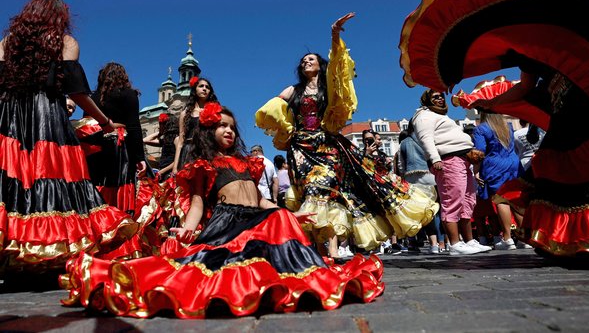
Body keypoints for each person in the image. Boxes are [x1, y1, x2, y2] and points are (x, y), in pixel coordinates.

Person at [398, 0, 589, 257]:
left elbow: (526, 89)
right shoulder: (532, 55)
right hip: (566, 114)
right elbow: (524, 87)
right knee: (568, 175)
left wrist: (489, 103)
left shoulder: (577, 35)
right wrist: (487, 103)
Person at [61, 103, 384, 318]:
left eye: (232, 126)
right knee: (218, 259)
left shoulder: (249, 163)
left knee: (281, 217)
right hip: (227, 221)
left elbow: (261, 201)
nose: (229, 131)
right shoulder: (206, 164)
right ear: (209, 131)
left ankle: (286, 280)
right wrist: (188, 227)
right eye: (222, 126)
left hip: (255, 215)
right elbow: (199, 203)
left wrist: (292, 213)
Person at [256, 13, 438, 258]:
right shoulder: (293, 90)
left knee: (326, 188)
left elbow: (338, 67)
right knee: (310, 193)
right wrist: (286, 131)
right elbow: (271, 110)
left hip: (327, 146)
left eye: (310, 59)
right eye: (302, 61)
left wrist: (334, 35)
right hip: (301, 149)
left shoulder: (328, 88)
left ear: (319, 64)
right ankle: (319, 253)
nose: (305, 63)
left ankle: (331, 250)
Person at [0, 0, 137, 271]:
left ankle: (13, 254)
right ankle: (47, 255)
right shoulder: (65, 42)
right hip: (47, 116)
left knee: (15, 182)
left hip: (10, 117)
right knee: (53, 180)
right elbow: (76, 90)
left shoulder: (6, 43)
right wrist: (104, 120)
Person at [411, 89, 491, 255]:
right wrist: (435, 159)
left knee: (468, 201)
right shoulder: (424, 115)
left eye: (441, 96)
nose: (440, 98)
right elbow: (426, 138)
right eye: (435, 97)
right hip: (448, 160)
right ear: (426, 100)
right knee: (452, 201)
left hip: (462, 159)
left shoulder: (439, 115)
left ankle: (469, 241)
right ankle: (455, 244)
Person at [86, 62, 147, 214]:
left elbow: (86, 124)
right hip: (120, 144)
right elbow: (134, 126)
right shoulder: (128, 94)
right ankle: (119, 217)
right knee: (120, 182)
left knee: (98, 181)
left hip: (96, 143)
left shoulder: (94, 97)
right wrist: (140, 157)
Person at [472, 112, 521, 250]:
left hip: (494, 165)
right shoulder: (508, 126)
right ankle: (525, 238)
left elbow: (479, 153)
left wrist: (476, 171)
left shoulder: (481, 129)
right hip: (513, 163)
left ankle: (507, 237)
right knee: (515, 200)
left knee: (501, 200)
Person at [173, 76, 218, 172]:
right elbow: (181, 141)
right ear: (195, 90)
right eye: (201, 86)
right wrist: (175, 167)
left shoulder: (215, 111)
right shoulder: (185, 113)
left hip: (207, 151)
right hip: (188, 151)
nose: (204, 89)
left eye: (207, 87)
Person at [143, 113, 179, 181]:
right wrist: (160, 132)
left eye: (160, 124)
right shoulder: (165, 140)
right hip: (162, 173)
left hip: (170, 174)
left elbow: (177, 160)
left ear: (167, 125)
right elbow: (145, 140)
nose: (159, 127)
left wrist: (161, 171)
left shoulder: (176, 139)